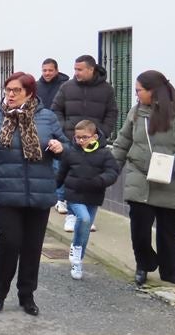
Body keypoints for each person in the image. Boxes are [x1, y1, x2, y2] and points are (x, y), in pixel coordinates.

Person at [0, 72, 66, 317]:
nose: (10, 95)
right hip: (5, 191)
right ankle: (0, 291)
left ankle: (27, 294)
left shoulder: (47, 118)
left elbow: (67, 149)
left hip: (39, 193)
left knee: (32, 246)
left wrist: (61, 148)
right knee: (10, 241)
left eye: (16, 91)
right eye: (7, 90)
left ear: (29, 93)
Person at [110, 70, 175, 286]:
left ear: (153, 91)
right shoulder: (136, 112)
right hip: (140, 175)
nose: (136, 95)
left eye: (139, 91)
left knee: (167, 231)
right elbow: (124, 140)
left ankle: (170, 271)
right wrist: (113, 167)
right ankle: (144, 263)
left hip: (170, 177)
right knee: (139, 229)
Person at [51, 55, 119, 231]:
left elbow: (112, 113)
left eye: (80, 69)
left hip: (94, 143)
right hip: (70, 141)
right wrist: (64, 130)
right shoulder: (67, 87)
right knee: (71, 176)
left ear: (91, 69)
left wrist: (102, 132)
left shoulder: (106, 90)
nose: (76, 73)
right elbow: (56, 109)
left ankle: (88, 215)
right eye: (75, 69)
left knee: (90, 177)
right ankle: (72, 216)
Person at [56, 120, 120, 280]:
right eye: (77, 137)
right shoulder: (70, 152)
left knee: (85, 229)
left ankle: (78, 258)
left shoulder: (104, 154)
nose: (81, 141)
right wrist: (52, 191)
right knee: (83, 219)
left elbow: (113, 172)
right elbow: (60, 174)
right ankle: (76, 254)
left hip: (93, 195)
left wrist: (100, 181)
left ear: (95, 136)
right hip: (74, 194)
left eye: (85, 137)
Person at [38, 58, 71, 215]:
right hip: (42, 130)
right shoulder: (37, 87)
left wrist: (63, 126)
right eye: (44, 70)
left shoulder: (65, 86)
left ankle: (60, 198)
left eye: (50, 70)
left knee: (60, 165)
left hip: (60, 131)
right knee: (46, 165)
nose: (47, 73)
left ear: (56, 70)